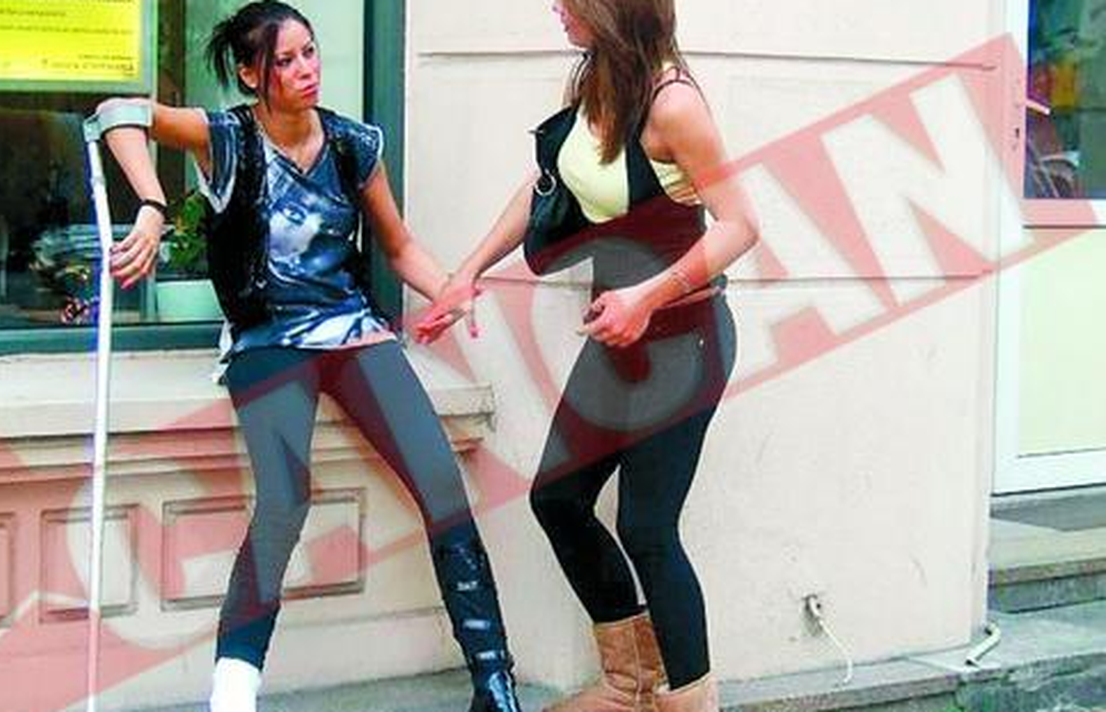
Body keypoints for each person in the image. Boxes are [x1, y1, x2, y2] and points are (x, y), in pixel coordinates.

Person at [94, 3, 523, 711]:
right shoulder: (227, 136)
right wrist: (150, 203)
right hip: (268, 340)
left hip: (352, 332)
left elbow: (398, 246)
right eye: (285, 60)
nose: (305, 70)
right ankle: (233, 693)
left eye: (311, 52)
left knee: (443, 488)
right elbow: (118, 113)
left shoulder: (353, 145)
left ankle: (495, 684)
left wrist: (451, 290)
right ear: (250, 74)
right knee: (285, 500)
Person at [419, 1, 760, 710]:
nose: (556, 7)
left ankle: (691, 701)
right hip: (618, 339)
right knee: (558, 498)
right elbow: (549, 181)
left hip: (683, 340)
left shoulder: (673, 105)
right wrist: (468, 272)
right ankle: (629, 684)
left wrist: (647, 296)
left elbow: (740, 225)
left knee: (647, 528)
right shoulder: (595, 79)